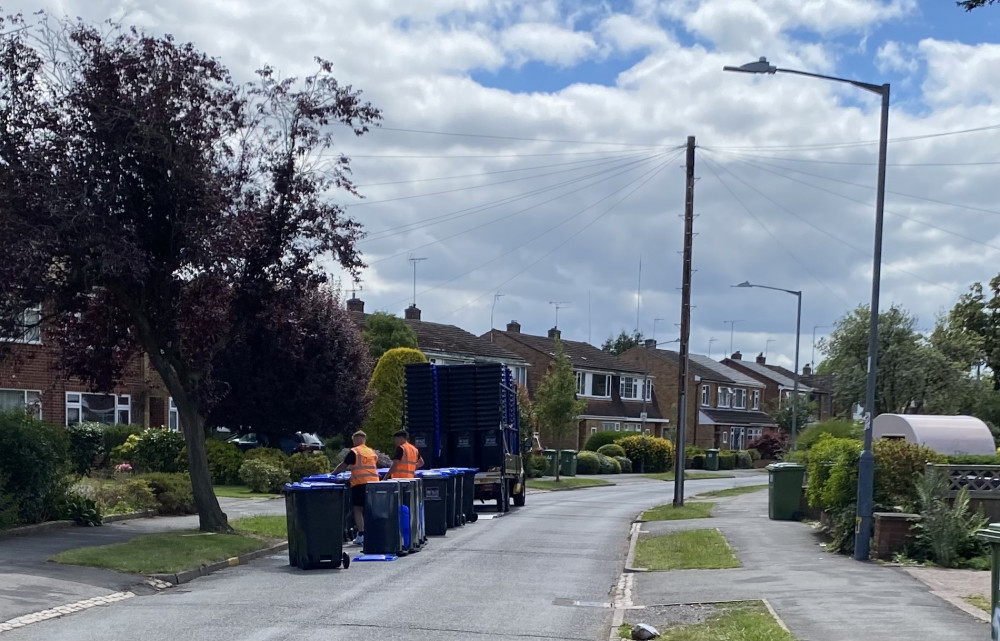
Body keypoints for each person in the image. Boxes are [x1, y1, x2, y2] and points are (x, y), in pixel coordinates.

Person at [332, 430, 378, 546]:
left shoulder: (355, 451)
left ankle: (361, 534)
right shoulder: (371, 451)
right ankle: (373, 532)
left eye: (353, 440)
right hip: (374, 483)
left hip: (360, 483)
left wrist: (332, 474)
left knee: (358, 509)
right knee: (370, 509)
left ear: (356, 439)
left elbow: (343, 466)